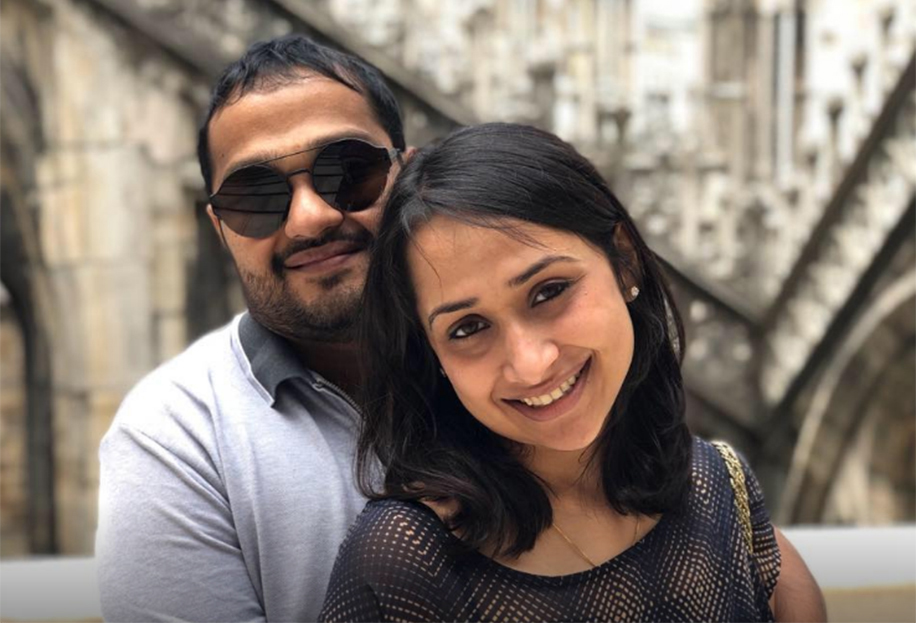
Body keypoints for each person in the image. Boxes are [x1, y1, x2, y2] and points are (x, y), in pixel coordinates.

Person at [319, 123, 827, 622]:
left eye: (549, 292)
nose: (531, 363)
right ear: (432, 355)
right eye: (468, 328)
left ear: (624, 261)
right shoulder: (402, 569)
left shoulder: (720, 490)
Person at [96, 35, 407, 622]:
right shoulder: (176, 437)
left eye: (348, 171)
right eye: (256, 195)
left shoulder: (522, 360)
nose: (310, 218)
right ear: (220, 228)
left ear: (407, 174)